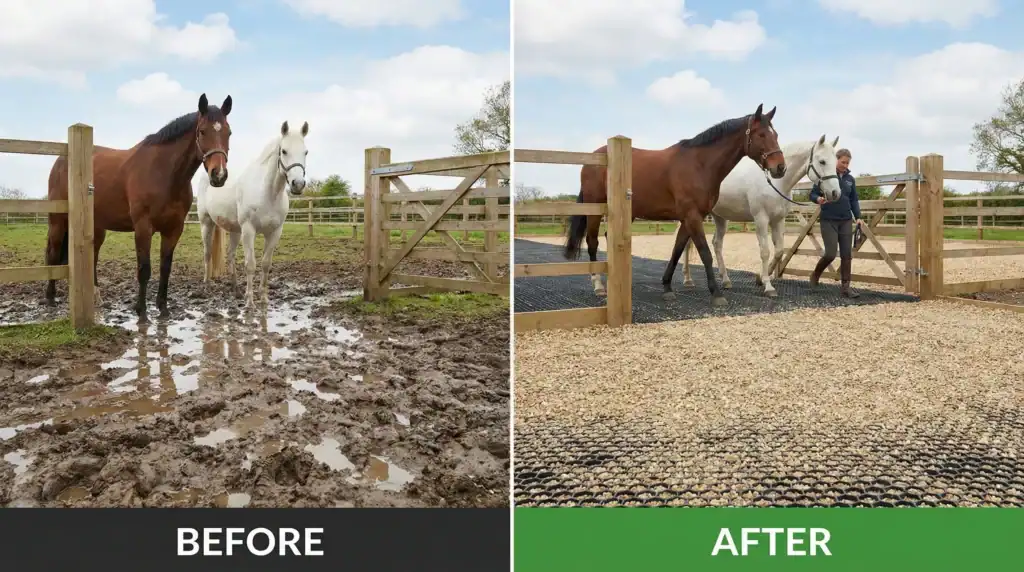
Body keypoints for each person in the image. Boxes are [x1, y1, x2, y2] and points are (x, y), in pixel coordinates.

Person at [808, 148, 863, 298]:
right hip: (828, 219)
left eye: (847, 163)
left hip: (845, 220)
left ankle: (846, 287)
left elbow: (854, 200)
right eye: (843, 162)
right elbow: (812, 194)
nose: (845, 165)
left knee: (847, 255)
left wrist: (858, 216)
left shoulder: (850, 180)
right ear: (836, 160)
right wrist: (817, 199)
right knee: (831, 254)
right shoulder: (825, 176)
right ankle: (815, 274)